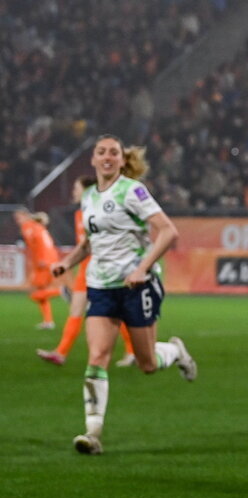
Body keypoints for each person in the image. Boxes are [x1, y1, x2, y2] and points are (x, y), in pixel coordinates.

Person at [50, 135, 198, 456]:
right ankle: (93, 433)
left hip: (137, 286)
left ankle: (174, 351)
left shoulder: (132, 190)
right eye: (101, 152)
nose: (107, 157)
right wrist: (66, 263)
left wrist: (142, 268)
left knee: (146, 364)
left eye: (113, 153)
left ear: (121, 160)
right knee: (97, 355)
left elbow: (168, 230)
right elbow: (90, 242)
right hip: (101, 286)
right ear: (92, 159)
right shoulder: (89, 196)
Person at [37, 176, 136, 367]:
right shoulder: (79, 214)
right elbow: (84, 246)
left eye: (76, 188)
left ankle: (132, 351)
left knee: (116, 312)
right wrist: (67, 264)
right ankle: (60, 353)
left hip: (104, 270)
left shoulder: (102, 211)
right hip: (85, 270)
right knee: (75, 309)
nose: (73, 192)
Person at [14, 208, 61, 329]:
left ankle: (61, 291)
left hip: (44, 262)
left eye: (18, 218)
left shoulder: (28, 226)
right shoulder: (37, 226)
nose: (17, 221)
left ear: (25, 216)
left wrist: (42, 259)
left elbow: (40, 243)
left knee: (35, 293)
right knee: (41, 291)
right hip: (49, 259)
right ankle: (48, 321)